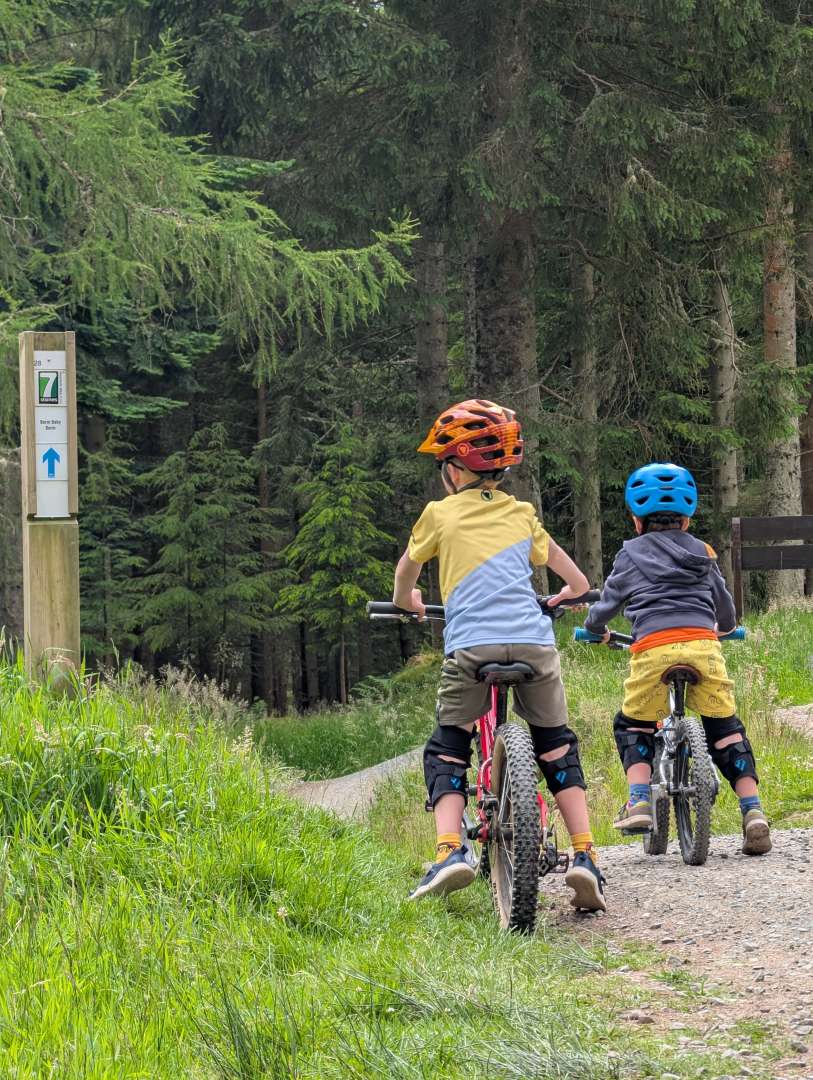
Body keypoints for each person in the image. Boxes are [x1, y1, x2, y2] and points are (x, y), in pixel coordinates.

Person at [393, 398, 606, 911]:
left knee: (447, 743)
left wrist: (409, 603)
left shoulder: (439, 514)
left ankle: (449, 850)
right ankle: (584, 854)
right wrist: (562, 597)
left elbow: (405, 575)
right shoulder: (522, 514)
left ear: (453, 469)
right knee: (556, 743)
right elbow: (577, 582)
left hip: (472, 646)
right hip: (534, 643)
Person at [583, 462, 771, 856]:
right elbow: (725, 606)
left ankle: (638, 801)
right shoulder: (703, 552)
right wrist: (725, 627)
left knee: (632, 724)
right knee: (725, 727)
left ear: (637, 521)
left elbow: (608, 603)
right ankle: (753, 810)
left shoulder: (630, 555)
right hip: (704, 647)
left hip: (653, 649)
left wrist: (595, 628)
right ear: (687, 520)